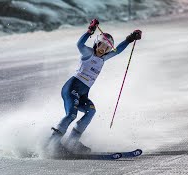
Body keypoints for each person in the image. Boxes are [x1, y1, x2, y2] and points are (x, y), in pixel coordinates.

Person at [48, 19, 142, 154]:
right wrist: (90, 31)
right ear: (96, 43)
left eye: (107, 48)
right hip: (71, 89)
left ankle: (72, 141)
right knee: (71, 115)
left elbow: (118, 50)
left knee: (90, 111)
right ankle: (53, 142)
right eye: (102, 45)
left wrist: (130, 39)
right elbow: (79, 44)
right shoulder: (88, 53)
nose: (103, 49)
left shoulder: (103, 58)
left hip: (82, 94)